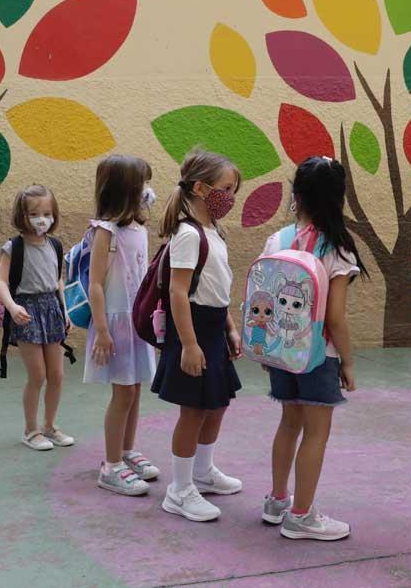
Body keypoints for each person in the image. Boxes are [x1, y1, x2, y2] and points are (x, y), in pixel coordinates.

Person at [261, 157, 365, 541]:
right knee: (316, 433)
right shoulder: (337, 246)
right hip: (319, 355)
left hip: (281, 351)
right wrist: (348, 363)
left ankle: (277, 501)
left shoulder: (278, 239)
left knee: (289, 423)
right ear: (338, 198)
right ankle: (301, 516)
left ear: (297, 195)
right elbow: (335, 317)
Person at [151, 150, 244, 522]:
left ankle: (203, 472)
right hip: (192, 330)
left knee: (217, 404)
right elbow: (179, 292)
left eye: (234, 189)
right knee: (193, 410)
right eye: (226, 188)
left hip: (213, 326)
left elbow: (216, 288)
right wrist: (189, 344)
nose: (231, 197)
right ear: (200, 188)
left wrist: (230, 327)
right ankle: (179, 490)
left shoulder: (213, 231)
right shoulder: (188, 234)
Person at [86, 155, 161, 496]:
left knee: (136, 388)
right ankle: (111, 465)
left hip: (137, 321)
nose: (148, 190)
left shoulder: (138, 230)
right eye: (142, 183)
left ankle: (128, 451)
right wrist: (101, 330)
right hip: (115, 324)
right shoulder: (105, 231)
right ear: (126, 190)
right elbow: (96, 284)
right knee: (123, 391)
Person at [0, 184, 74, 451]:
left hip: (52, 309)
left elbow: (58, 280)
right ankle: (31, 430)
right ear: (22, 215)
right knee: (37, 375)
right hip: (27, 312)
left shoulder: (55, 245)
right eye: (34, 214)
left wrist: (66, 310)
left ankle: (50, 426)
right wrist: (12, 307)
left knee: (57, 374)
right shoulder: (14, 247)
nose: (42, 219)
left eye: (47, 213)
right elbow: (1, 282)